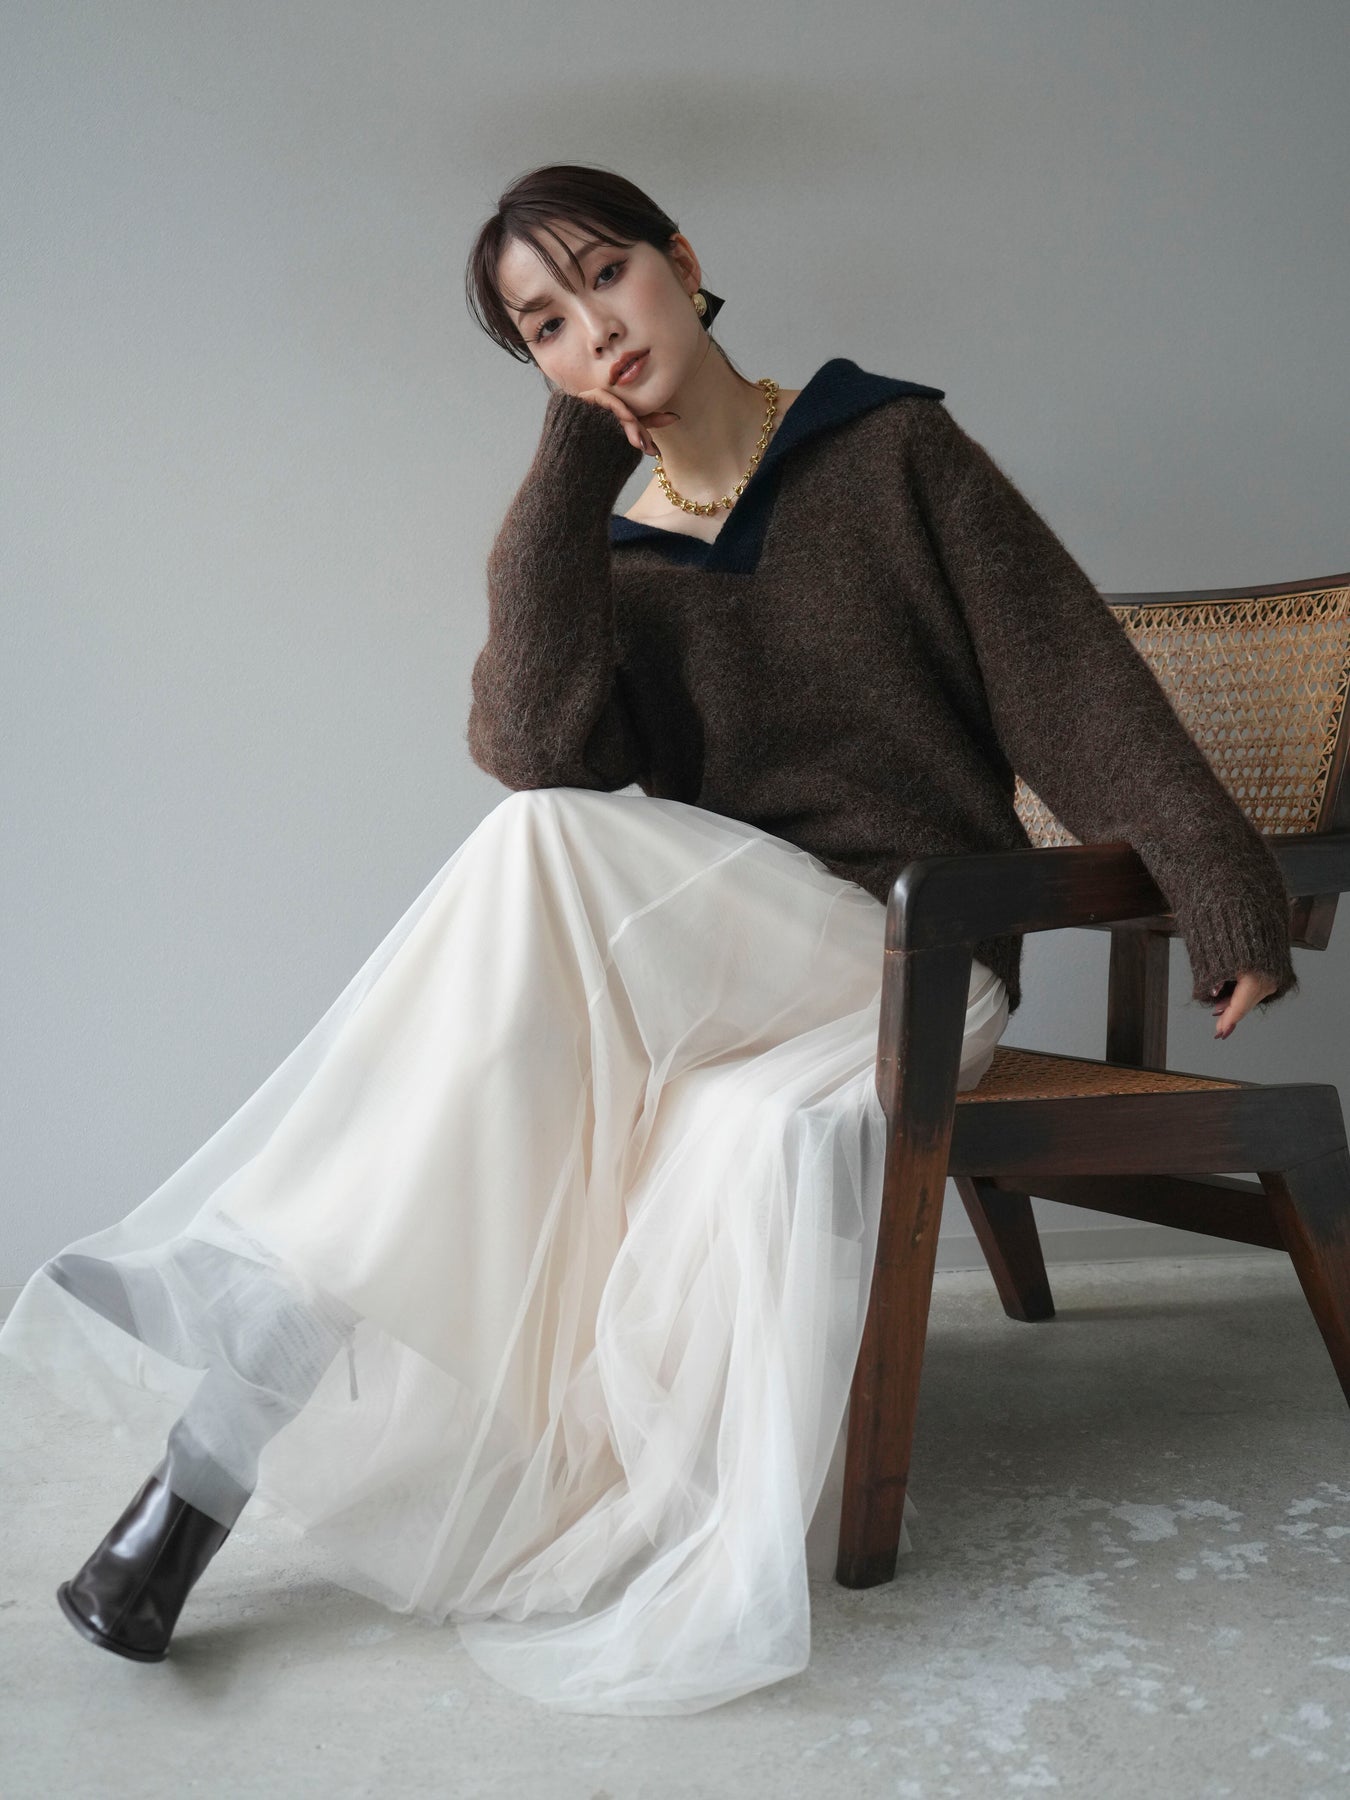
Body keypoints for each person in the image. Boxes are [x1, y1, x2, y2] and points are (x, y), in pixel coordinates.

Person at [0, 161, 1295, 1716]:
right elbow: (531, 744)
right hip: (722, 976)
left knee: (537, 857)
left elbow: (1071, 683)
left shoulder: (892, 449)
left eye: (604, 276)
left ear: (681, 260)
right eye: (543, 327)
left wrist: (1219, 883)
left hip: (907, 955)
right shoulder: (611, 559)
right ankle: (205, 1470)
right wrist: (572, 457)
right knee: (486, 1050)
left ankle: (251, 1330)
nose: (594, 330)